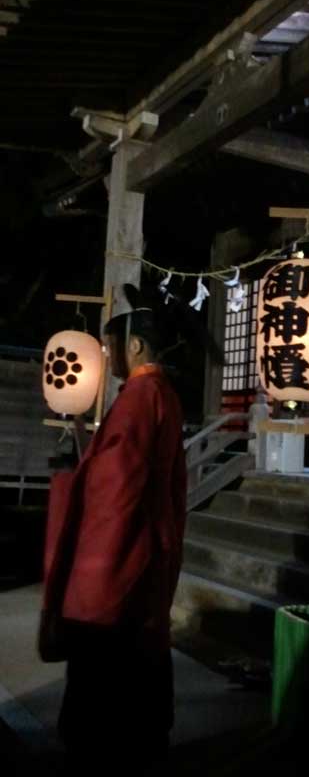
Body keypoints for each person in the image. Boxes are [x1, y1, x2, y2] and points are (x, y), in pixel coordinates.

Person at [41, 295, 187, 773]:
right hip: (152, 547)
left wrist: (71, 478)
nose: (110, 358)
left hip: (121, 556)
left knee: (106, 673)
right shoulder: (163, 395)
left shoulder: (139, 399)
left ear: (137, 344)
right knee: (142, 659)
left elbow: (114, 489)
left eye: (114, 348)